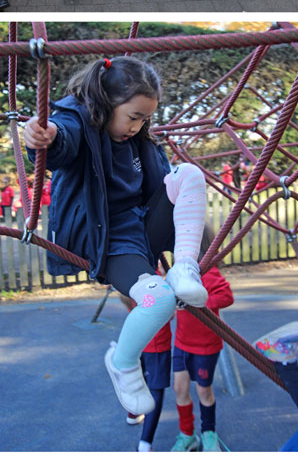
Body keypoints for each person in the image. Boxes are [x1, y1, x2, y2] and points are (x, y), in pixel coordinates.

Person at [22, 56, 209, 416]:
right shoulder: (80, 121)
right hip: (106, 239)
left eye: (144, 119)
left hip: (141, 225)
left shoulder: (138, 141)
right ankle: (123, 363)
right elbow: (62, 139)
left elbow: (162, 184)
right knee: (157, 299)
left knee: (190, 173)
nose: (137, 127)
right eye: (133, 117)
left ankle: (185, 267)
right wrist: (44, 136)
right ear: (107, 102)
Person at [170, 226, 234, 452]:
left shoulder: (208, 272)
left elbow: (226, 296)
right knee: (179, 388)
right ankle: (187, 434)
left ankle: (208, 433)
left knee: (203, 391)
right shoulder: (177, 272)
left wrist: (201, 302)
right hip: (181, 342)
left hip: (205, 346)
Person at [120, 283, 173, 452]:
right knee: (155, 390)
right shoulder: (154, 280)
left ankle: (133, 413)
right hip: (155, 342)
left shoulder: (129, 274)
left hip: (135, 338)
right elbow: (167, 313)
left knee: (137, 376)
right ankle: (145, 443)